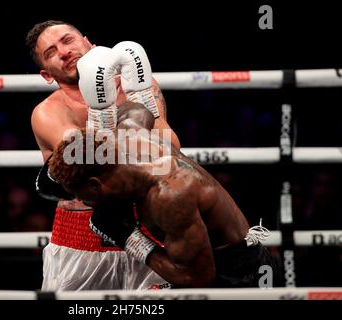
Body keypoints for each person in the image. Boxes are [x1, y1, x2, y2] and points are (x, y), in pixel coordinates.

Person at [26, 20, 180, 290]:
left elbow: (170, 150)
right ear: (46, 75)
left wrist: (139, 95)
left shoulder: (137, 85)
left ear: (89, 43)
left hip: (149, 224)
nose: (63, 52)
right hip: (81, 235)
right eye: (50, 52)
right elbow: (90, 165)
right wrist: (106, 109)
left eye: (67, 40)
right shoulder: (48, 112)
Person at [48, 125, 283, 288]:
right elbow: (137, 108)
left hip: (239, 276)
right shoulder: (132, 135)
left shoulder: (169, 197)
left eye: (83, 197)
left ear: (95, 184)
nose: (86, 204)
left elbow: (197, 278)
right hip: (222, 262)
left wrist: (130, 239)